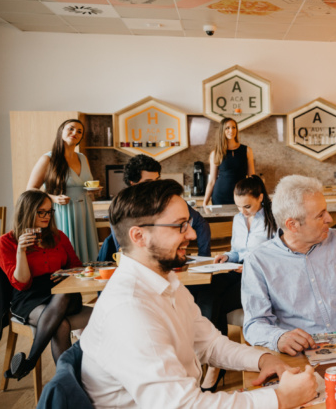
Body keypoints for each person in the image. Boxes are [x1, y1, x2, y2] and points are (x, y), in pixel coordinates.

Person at [79, 179, 317, 407]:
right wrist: (280, 399)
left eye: (189, 224)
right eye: (179, 226)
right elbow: (183, 406)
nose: (192, 234)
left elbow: (210, 345)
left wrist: (263, 359)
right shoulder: (130, 310)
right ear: (139, 236)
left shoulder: (165, 281)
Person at [241, 175, 336, 355]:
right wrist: (279, 338)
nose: (329, 218)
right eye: (320, 215)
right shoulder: (259, 261)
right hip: (300, 355)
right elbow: (254, 324)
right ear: (293, 225)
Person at [0, 190, 91, 380]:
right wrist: (21, 251)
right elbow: (21, 285)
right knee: (60, 324)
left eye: (50, 212)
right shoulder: (5, 243)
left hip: (63, 291)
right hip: (29, 297)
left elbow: (76, 266)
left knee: (62, 296)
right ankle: (69, 381)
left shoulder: (58, 237)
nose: (47, 216)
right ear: (27, 211)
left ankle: (30, 361)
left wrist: (65, 275)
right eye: (42, 212)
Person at [202, 175, 277, 391]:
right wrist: (227, 257)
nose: (242, 211)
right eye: (238, 207)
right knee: (207, 290)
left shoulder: (274, 218)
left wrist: (252, 266)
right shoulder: (238, 219)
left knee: (218, 302)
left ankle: (215, 365)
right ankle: (215, 358)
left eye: (247, 206)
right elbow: (237, 251)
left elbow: (279, 255)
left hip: (260, 274)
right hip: (237, 268)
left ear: (260, 197)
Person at [97, 154, 211, 262]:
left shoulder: (169, 202)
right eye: (148, 182)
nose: (155, 187)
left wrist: (204, 257)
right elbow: (124, 250)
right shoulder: (120, 208)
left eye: (157, 181)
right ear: (133, 183)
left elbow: (201, 224)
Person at [26, 119, 99, 260]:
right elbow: (30, 189)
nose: (75, 133)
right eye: (71, 129)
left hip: (85, 210)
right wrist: (53, 198)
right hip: (63, 211)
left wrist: (92, 191)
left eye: (79, 131)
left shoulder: (83, 158)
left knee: (88, 251)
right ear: (61, 132)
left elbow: (85, 184)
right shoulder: (48, 159)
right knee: (68, 250)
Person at [204, 118, 255, 206]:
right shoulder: (216, 153)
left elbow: (252, 178)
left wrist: (255, 196)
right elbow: (212, 181)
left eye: (233, 127)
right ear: (222, 130)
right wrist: (205, 202)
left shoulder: (247, 150)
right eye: (227, 128)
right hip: (220, 196)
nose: (231, 130)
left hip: (241, 195)